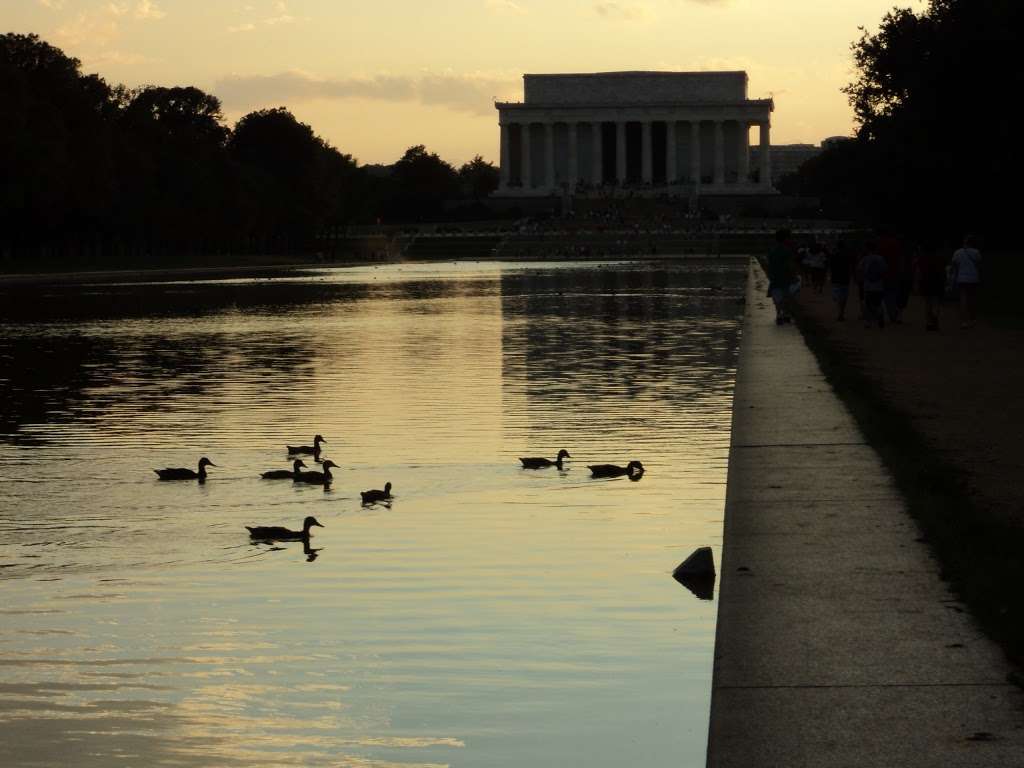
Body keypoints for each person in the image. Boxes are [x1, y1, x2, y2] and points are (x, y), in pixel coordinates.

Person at [767, 228, 797, 325]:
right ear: (786, 239)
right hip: (786, 277)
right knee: (786, 296)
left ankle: (779, 314)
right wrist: (794, 276)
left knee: (777, 297)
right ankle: (786, 315)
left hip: (775, 277)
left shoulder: (772, 250)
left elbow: (770, 265)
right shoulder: (787, 250)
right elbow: (790, 265)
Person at [951, 235, 982, 329]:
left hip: (961, 278)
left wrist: (954, 277)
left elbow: (954, 265)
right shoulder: (976, 252)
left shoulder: (958, 252)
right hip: (973, 278)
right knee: (972, 298)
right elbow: (979, 264)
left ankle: (964, 321)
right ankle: (973, 319)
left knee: (963, 298)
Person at [916, 242, 946, 331]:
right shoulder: (940, 258)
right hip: (938, 282)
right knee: (936, 301)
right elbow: (943, 271)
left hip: (926, 282)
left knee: (927, 303)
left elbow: (918, 272)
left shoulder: (922, 258)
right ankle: (935, 316)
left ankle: (928, 322)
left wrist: (917, 283)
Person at [858, 243, 887, 329]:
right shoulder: (881, 258)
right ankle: (880, 315)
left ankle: (868, 322)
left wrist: (861, 279)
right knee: (878, 303)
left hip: (868, 285)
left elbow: (859, 269)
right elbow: (885, 270)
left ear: (867, 249)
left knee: (868, 304)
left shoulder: (865, 259)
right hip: (879, 285)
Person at [829, 240, 854, 321]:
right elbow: (850, 267)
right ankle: (841, 313)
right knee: (843, 297)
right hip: (845, 278)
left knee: (837, 297)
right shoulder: (848, 256)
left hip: (836, 278)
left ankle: (840, 313)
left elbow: (831, 267)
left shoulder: (834, 255)